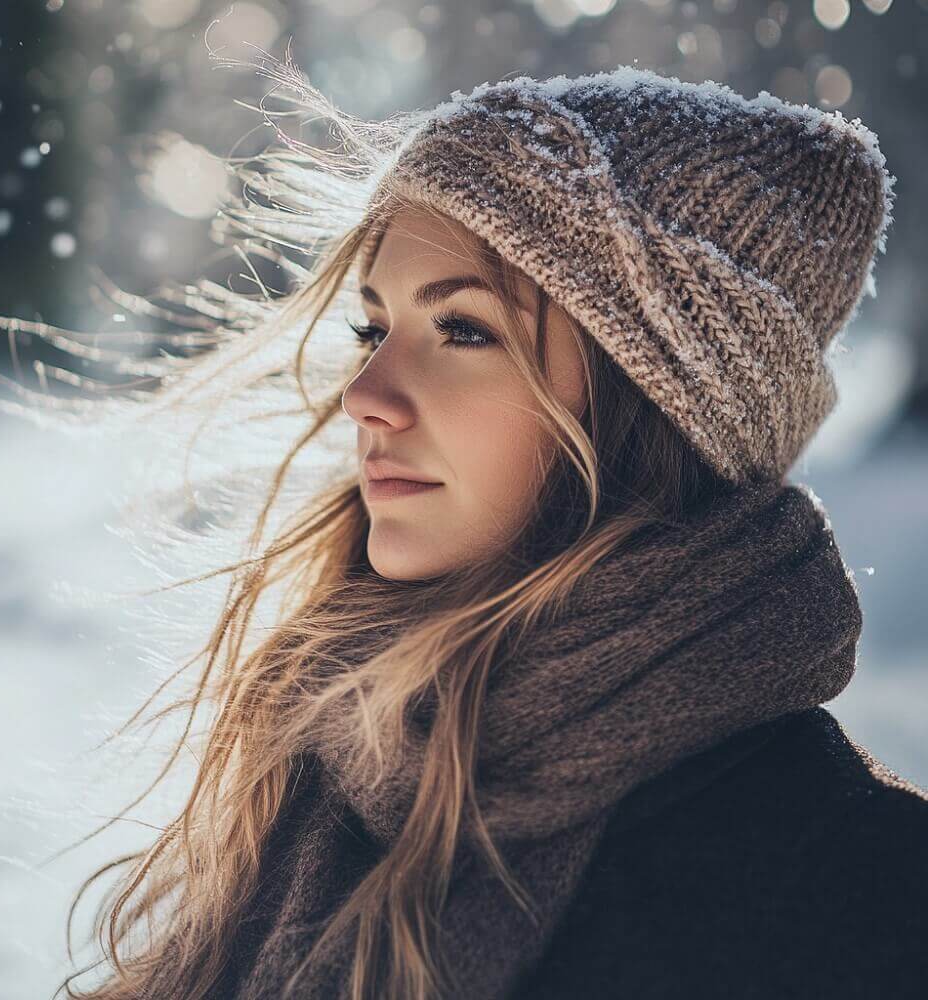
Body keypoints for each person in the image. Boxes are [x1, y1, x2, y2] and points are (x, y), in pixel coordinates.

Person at [47, 59, 928, 1000]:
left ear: (651, 408)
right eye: (370, 329)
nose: (365, 397)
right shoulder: (333, 772)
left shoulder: (862, 888)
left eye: (464, 330)